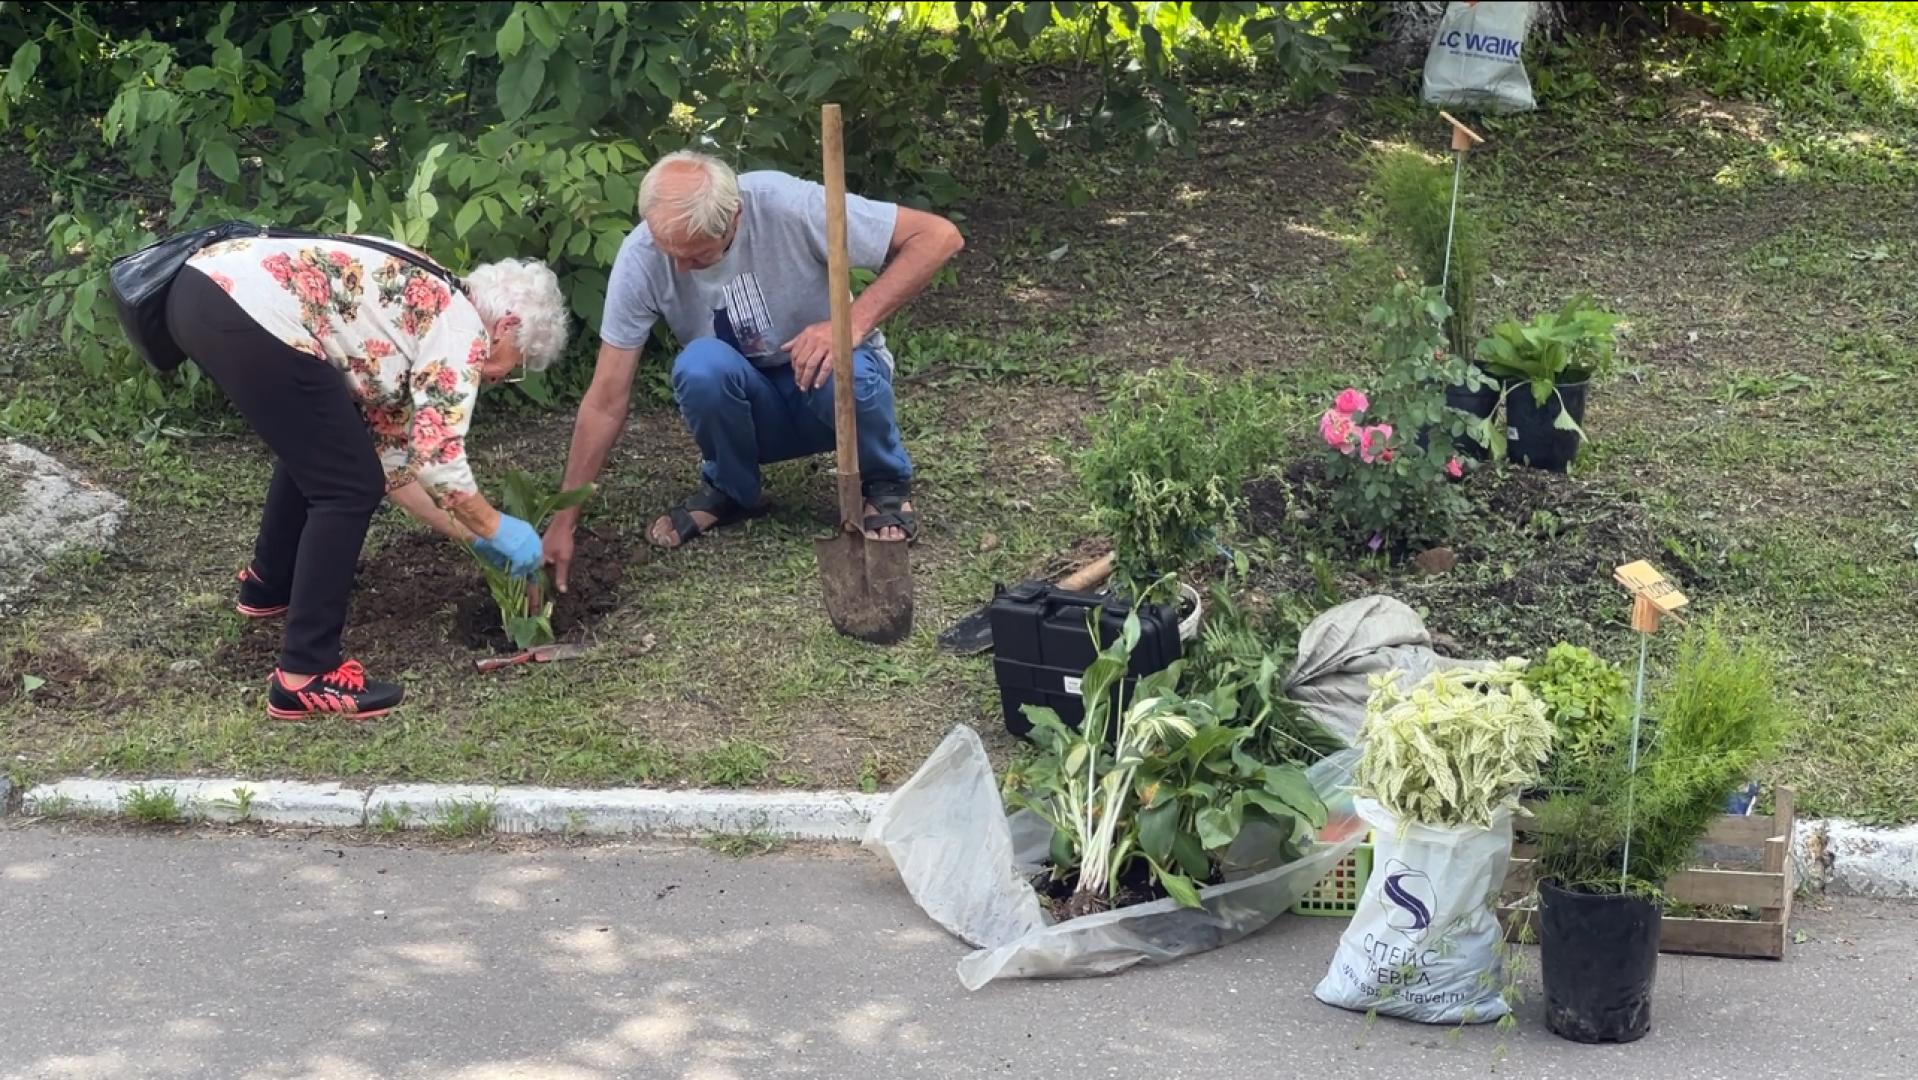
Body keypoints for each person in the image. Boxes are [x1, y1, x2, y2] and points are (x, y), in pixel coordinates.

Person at [164, 233, 571, 721]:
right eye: (513, 366)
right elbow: (439, 459)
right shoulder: (462, 330)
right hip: (245, 308)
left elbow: (396, 467)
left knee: (332, 452)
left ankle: (269, 586)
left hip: (203, 290)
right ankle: (305, 674)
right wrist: (499, 529)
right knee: (346, 486)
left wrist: (473, 536)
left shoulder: (426, 304)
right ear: (505, 326)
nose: (498, 378)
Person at [539, 150, 964, 591]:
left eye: (698, 257)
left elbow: (938, 236)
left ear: (735, 218)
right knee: (700, 366)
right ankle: (732, 489)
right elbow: (606, 398)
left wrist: (850, 324)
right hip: (751, 404)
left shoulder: (786, 205)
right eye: (671, 253)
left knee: (845, 369)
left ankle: (884, 482)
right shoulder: (643, 254)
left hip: (833, 394)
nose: (681, 268)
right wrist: (564, 518)